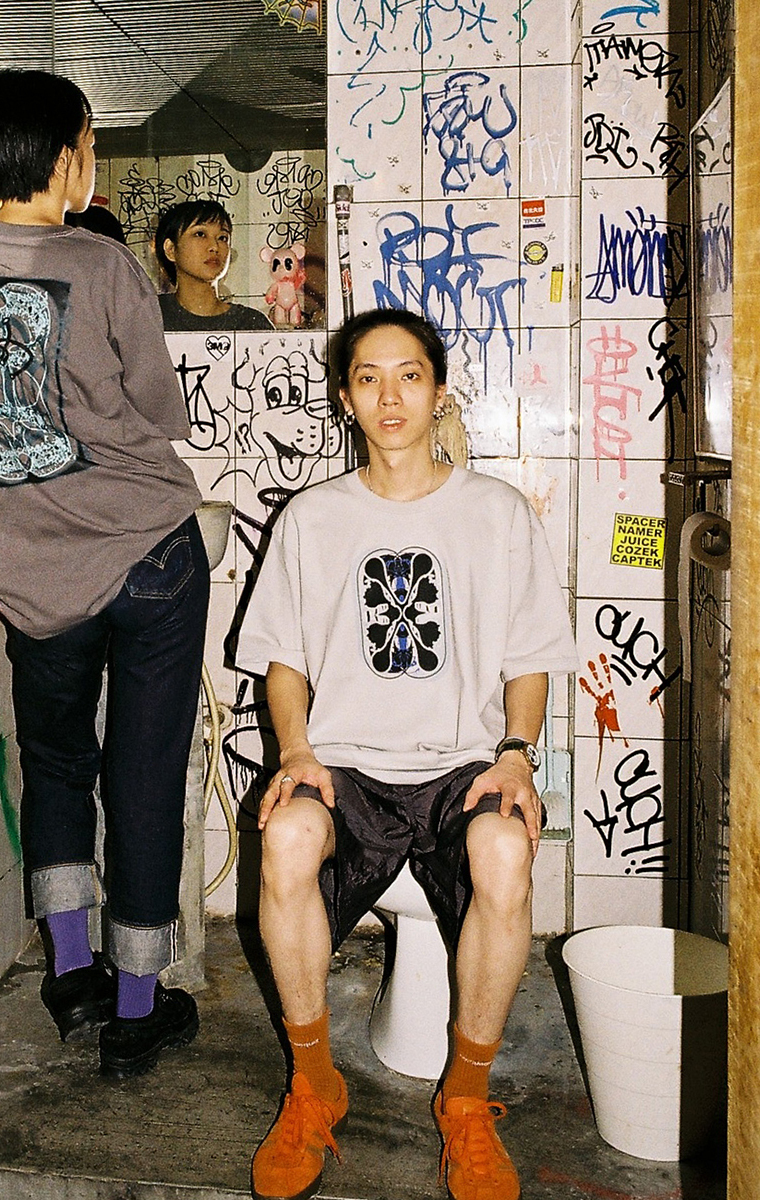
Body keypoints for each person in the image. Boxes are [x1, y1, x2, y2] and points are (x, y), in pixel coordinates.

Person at [235, 308, 578, 1200]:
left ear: (438, 391)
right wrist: (296, 751)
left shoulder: (495, 513)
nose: (389, 397)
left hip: (462, 763)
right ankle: (313, 1079)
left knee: (502, 849)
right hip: (345, 763)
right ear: (345, 399)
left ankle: (464, 1097)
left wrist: (515, 755)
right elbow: (283, 661)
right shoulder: (312, 518)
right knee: (285, 839)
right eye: (367, 378)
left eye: (409, 376)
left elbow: (529, 658)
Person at [0, 68, 209, 1078]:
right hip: (147, 555)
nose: (89, 159)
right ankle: (136, 1010)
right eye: (88, 143)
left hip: (32, 575)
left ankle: (70, 974)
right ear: (63, 155)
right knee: (143, 775)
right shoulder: (100, 262)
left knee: (55, 764)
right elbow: (159, 410)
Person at [154, 200, 274, 331]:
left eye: (222, 238)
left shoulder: (250, 323)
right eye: (200, 234)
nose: (214, 247)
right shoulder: (151, 315)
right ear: (171, 249)